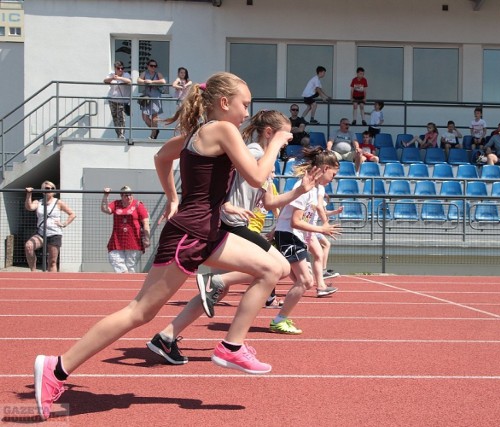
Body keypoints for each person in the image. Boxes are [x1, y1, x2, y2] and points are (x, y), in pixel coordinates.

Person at [33, 72, 290, 421]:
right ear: (224, 102)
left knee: (274, 268)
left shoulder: (196, 136)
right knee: (140, 312)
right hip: (191, 234)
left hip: (207, 231)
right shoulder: (222, 129)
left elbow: (160, 158)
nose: (247, 113)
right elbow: (258, 178)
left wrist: (173, 198)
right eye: (245, 104)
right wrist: (275, 142)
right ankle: (56, 367)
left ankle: (231, 346)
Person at [146, 110, 321, 365]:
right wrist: (226, 205)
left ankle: (166, 336)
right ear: (270, 133)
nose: (288, 141)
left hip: (239, 223)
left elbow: (270, 201)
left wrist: (299, 192)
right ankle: (229, 333)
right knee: (279, 267)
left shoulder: (264, 158)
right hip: (228, 223)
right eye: (285, 135)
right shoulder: (252, 151)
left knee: (226, 288)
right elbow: (220, 181)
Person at [270, 147, 341, 334]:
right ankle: (279, 319)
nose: (334, 179)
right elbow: (295, 221)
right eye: (333, 174)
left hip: (293, 236)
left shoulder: (315, 188)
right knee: (304, 280)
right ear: (325, 168)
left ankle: (281, 317)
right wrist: (321, 229)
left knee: (290, 276)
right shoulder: (304, 187)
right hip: (289, 235)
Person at [24, 181, 76, 273]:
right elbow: (29, 207)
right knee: (29, 246)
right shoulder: (38, 202)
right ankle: (33, 272)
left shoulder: (58, 202)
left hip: (54, 234)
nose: (50, 190)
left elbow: (72, 214)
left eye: (52, 188)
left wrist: (64, 224)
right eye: (47, 188)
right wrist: (29, 194)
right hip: (41, 233)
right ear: (43, 190)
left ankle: (52, 282)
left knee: (52, 261)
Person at [101, 186, 151, 273]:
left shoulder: (138, 205)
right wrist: (105, 196)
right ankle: (124, 275)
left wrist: (147, 238)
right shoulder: (116, 204)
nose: (129, 197)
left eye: (130, 195)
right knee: (114, 258)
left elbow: (146, 222)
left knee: (130, 265)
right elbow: (105, 209)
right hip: (117, 239)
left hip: (133, 240)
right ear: (121, 196)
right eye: (126, 195)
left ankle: (130, 283)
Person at [137, 59, 166, 139]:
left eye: (155, 66)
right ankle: (155, 130)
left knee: (154, 117)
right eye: (151, 65)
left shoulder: (158, 74)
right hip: (147, 97)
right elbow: (138, 80)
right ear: (148, 66)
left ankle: (153, 135)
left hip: (156, 96)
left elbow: (163, 81)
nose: (153, 67)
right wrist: (145, 81)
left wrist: (152, 82)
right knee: (144, 117)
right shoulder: (144, 73)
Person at [103, 60, 132, 139]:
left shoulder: (126, 74)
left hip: (122, 101)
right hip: (112, 99)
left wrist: (119, 78)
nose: (120, 70)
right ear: (115, 68)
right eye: (118, 68)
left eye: (122, 68)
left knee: (121, 117)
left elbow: (129, 81)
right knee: (115, 117)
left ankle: (121, 134)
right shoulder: (111, 74)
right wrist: (113, 78)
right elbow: (105, 80)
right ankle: (118, 134)